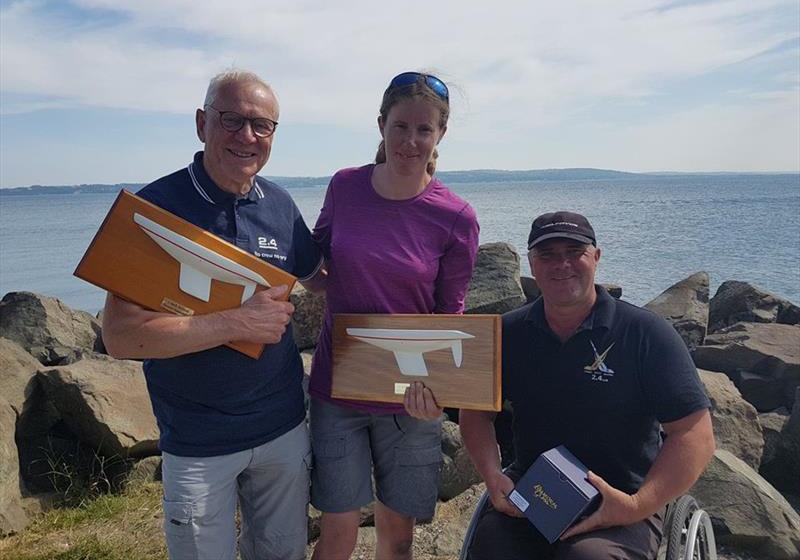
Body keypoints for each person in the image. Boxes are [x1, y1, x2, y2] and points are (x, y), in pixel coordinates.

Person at [102, 69, 324, 560]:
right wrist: (235, 322)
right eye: (231, 120)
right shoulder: (156, 209)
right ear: (202, 123)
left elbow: (321, 278)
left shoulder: (280, 205)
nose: (247, 136)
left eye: (262, 125)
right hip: (198, 439)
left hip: (283, 427)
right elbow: (120, 337)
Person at [460, 211, 715, 560]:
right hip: (535, 488)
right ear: (531, 264)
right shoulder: (506, 333)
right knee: (491, 546)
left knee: (587, 557)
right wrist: (492, 475)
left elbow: (694, 434)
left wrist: (637, 505)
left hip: (622, 495)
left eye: (574, 251)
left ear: (596, 256)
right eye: (547, 254)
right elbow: (475, 411)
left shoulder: (645, 334)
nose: (561, 264)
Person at [308, 72, 480, 560]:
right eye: (400, 126)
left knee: (398, 538)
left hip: (411, 398)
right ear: (381, 125)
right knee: (337, 530)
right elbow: (317, 265)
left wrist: (441, 392)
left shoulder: (456, 216)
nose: (410, 140)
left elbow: (451, 316)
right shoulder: (345, 187)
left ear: (440, 134)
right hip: (336, 387)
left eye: (423, 130)